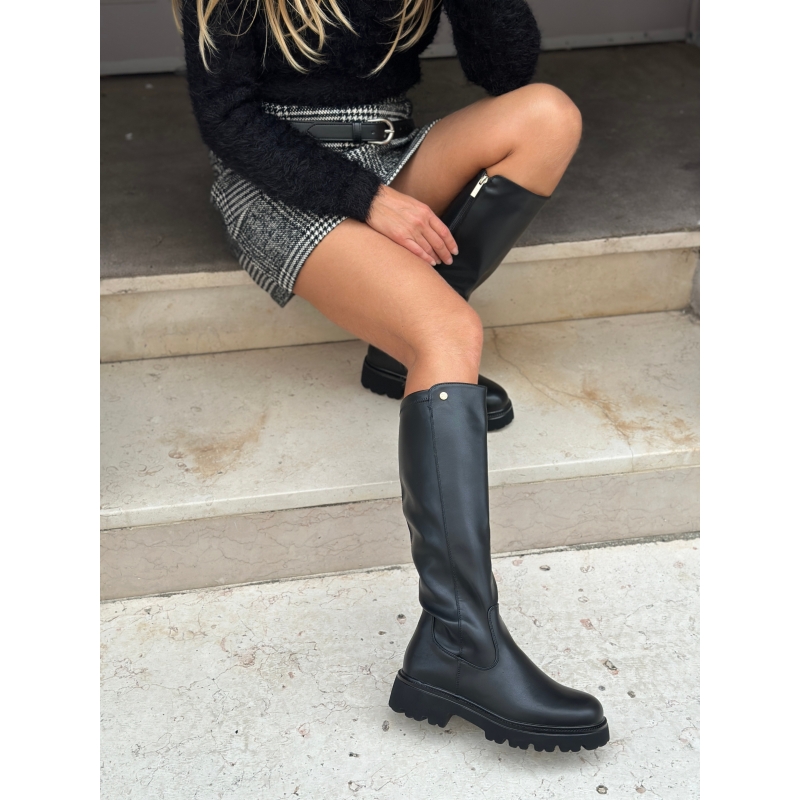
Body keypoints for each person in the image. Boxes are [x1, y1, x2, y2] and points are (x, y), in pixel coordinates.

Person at [174, 0, 608, 752]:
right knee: (451, 332)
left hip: (391, 150)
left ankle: (394, 347)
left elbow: (505, 71)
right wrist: (367, 201)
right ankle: (457, 643)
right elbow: (227, 119)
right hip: (280, 181)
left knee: (547, 114)